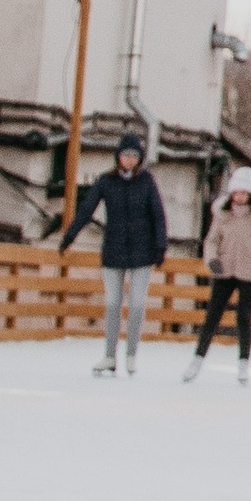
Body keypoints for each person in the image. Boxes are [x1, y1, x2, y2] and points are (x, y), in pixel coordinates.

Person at [61, 127, 170, 377]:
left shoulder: (147, 181)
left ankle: (131, 354)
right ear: (118, 156)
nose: (129, 159)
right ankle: (110, 356)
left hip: (142, 252)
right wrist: (70, 236)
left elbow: (158, 214)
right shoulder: (106, 182)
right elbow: (87, 209)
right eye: (125, 155)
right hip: (114, 250)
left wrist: (161, 245)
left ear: (140, 159)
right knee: (112, 303)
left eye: (134, 155)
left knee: (137, 303)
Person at [186, 171, 251, 382]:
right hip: (225, 270)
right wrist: (211, 259)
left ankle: (243, 364)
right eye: (236, 192)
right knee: (212, 316)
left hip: (250, 272)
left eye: (244, 192)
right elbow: (211, 241)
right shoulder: (223, 214)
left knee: (243, 317)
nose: (239, 196)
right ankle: (197, 360)